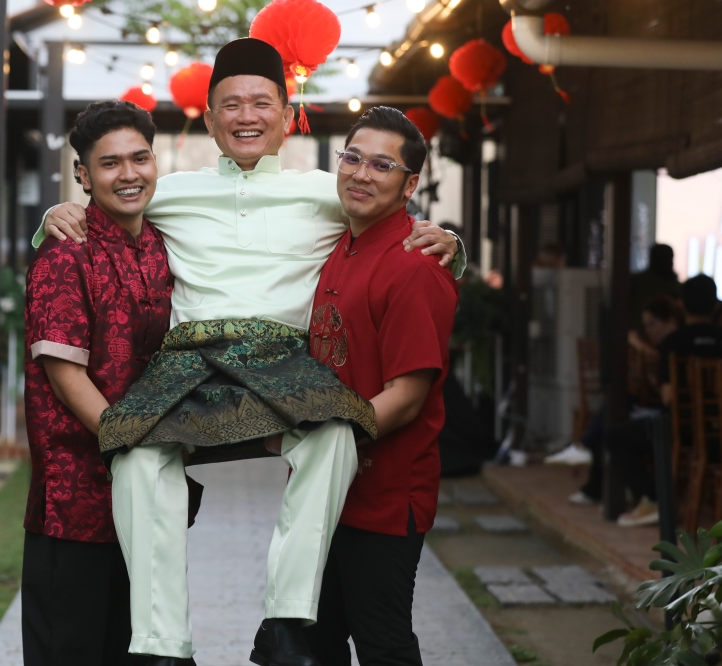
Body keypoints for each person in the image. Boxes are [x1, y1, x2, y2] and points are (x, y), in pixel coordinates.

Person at [34, 38, 465, 666]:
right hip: (187, 359)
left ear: (287, 116)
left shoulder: (331, 190)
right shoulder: (167, 190)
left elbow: (396, 220)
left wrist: (451, 238)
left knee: (335, 434)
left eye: (261, 102)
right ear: (207, 120)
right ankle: (161, 646)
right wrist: (53, 213)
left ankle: (288, 622)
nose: (245, 115)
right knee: (132, 454)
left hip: (279, 358)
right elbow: (102, 202)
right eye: (229, 104)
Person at [23, 100, 201, 665]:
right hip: (75, 502)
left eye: (139, 158)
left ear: (156, 161)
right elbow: (65, 373)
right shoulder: (65, 254)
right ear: (82, 174)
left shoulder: (165, 241)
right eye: (109, 163)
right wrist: (133, 450)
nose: (128, 174)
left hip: (147, 501)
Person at [302, 107, 457, 665]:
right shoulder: (338, 246)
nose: (362, 174)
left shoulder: (416, 266)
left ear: (409, 184)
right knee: (315, 641)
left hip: (384, 494)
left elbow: (408, 395)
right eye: (352, 158)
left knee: (382, 642)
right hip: (327, 492)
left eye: (382, 165)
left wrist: (324, 444)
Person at [614, 274, 722, 527]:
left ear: (680, 304)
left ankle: (655, 499)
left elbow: (669, 398)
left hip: (686, 430)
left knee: (616, 435)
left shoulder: (674, 343)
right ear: (716, 306)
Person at [561, 296, 683, 504]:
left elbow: (668, 398)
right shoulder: (670, 347)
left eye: (653, 324)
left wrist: (636, 343)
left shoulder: (672, 347)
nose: (649, 331)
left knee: (615, 424)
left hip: (674, 421)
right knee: (619, 409)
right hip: (679, 418)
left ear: (671, 321)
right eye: (646, 326)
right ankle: (591, 468)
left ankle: (649, 497)